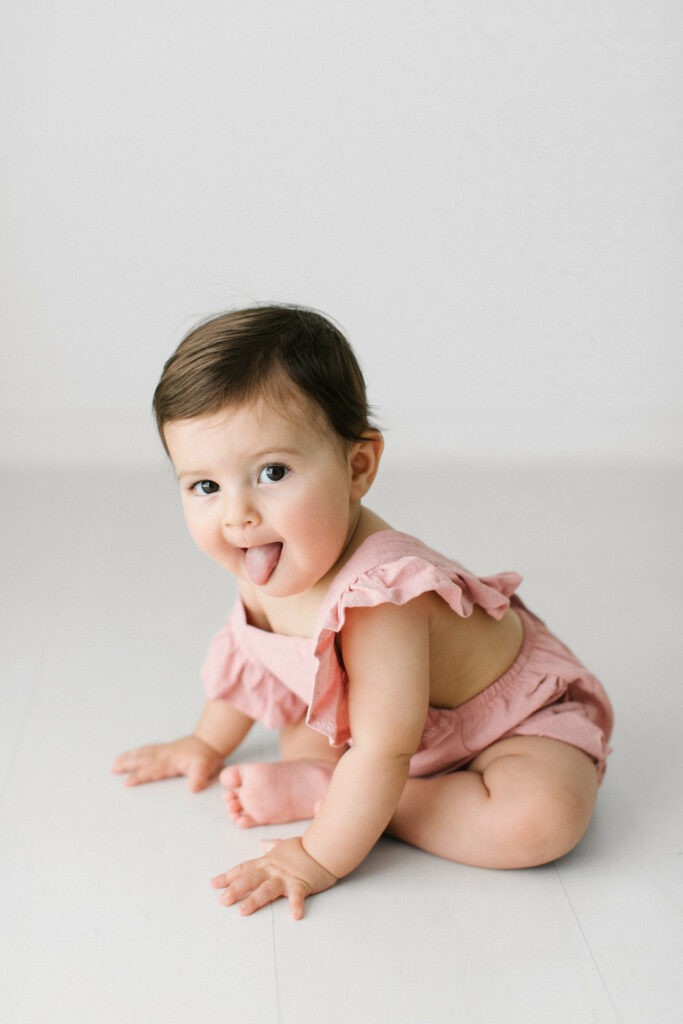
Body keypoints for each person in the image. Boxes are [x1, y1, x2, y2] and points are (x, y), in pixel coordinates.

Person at [112, 305, 613, 920]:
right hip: (382, 732)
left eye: (272, 472)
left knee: (542, 820)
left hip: (505, 724)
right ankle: (342, 791)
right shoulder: (268, 554)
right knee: (302, 734)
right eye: (204, 487)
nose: (236, 515)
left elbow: (382, 750)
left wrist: (318, 854)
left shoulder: (381, 598)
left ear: (358, 466)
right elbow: (257, 654)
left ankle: (348, 800)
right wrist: (206, 742)